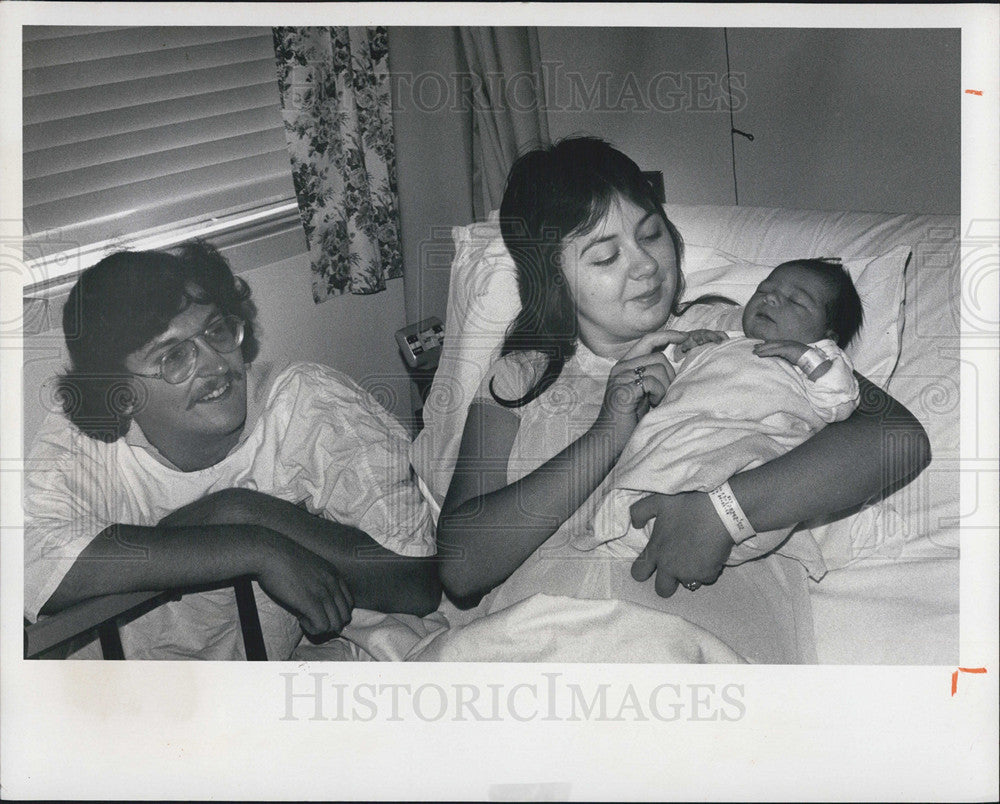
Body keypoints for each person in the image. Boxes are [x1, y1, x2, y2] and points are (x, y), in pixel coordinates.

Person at [433, 137, 930, 662]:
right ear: (552, 280)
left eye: (652, 235)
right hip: (534, 640)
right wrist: (608, 433)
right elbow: (463, 568)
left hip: (701, 642)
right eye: (605, 256)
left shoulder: (735, 339)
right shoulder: (520, 379)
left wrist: (726, 512)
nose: (645, 265)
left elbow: (895, 440)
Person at [24, 242, 440, 660]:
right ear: (122, 396)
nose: (217, 364)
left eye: (216, 331)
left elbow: (416, 582)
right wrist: (255, 546)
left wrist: (241, 509)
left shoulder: (306, 404)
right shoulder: (82, 438)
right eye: (173, 356)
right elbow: (35, 566)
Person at [585, 259, 862, 571]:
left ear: (828, 334)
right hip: (690, 435)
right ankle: (627, 521)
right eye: (764, 290)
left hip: (755, 450)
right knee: (653, 459)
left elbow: (840, 401)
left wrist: (806, 357)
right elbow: (678, 390)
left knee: (742, 472)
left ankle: (693, 531)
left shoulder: (822, 361)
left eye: (796, 300)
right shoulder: (727, 341)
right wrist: (690, 351)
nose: (770, 298)